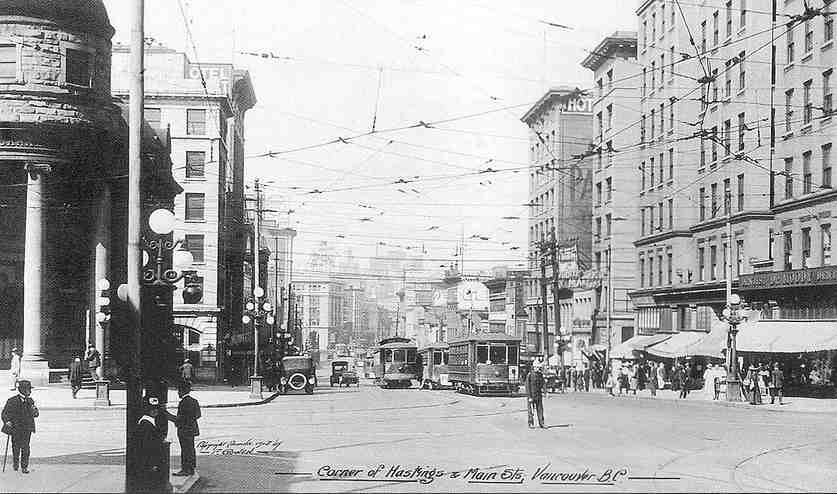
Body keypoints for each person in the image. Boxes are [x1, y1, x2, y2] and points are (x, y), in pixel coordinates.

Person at [2, 380, 39, 473]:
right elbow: (5, 413)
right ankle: (15, 463)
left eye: (30, 389)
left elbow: (36, 414)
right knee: (16, 447)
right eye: (28, 389)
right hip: (16, 428)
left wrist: (34, 410)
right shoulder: (12, 401)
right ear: (22, 390)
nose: (30, 391)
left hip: (27, 428)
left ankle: (24, 467)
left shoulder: (30, 401)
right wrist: (7, 421)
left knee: (26, 447)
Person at [166, 382, 201, 476]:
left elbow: (179, 419)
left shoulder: (183, 403)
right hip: (192, 429)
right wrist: (190, 419)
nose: (178, 393)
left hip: (184, 430)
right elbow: (198, 415)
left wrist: (167, 415)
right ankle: (191, 468)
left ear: (182, 391)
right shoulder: (194, 401)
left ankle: (185, 469)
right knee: (191, 449)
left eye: (179, 391)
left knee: (185, 450)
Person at [133, 396, 166, 491]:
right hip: (148, 462)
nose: (155, 411)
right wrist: (153, 463)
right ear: (146, 410)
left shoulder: (149, 422)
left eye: (156, 408)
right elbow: (148, 447)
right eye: (152, 409)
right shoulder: (146, 424)